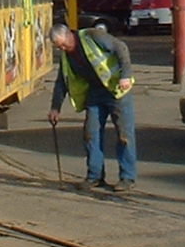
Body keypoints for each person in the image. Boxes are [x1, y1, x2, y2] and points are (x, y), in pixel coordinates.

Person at [47, 21, 137, 191]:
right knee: (91, 133)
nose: (63, 49)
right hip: (95, 93)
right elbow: (62, 82)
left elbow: (121, 47)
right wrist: (55, 108)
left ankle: (127, 177)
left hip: (117, 90)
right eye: (59, 47)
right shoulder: (66, 56)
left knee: (124, 134)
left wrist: (126, 75)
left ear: (68, 36)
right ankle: (95, 176)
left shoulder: (92, 36)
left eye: (64, 45)